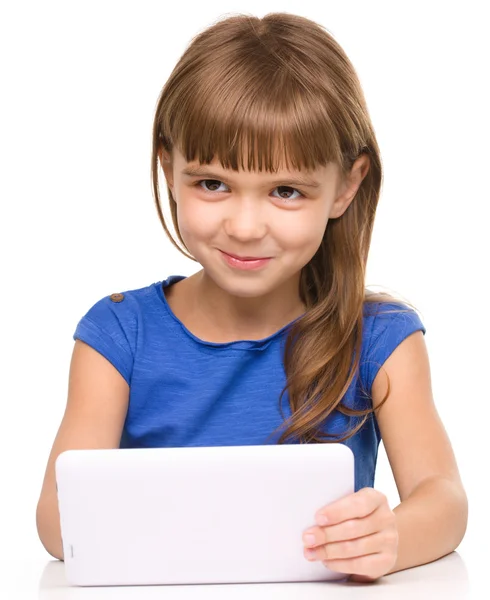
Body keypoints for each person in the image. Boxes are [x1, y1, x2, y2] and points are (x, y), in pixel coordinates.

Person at [35, 12, 467, 582]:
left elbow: (445, 502)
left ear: (347, 185)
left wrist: (391, 536)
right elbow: (57, 528)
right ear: (170, 167)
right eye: (212, 183)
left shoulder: (381, 339)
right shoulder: (119, 334)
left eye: (285, 191)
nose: (243, 225)